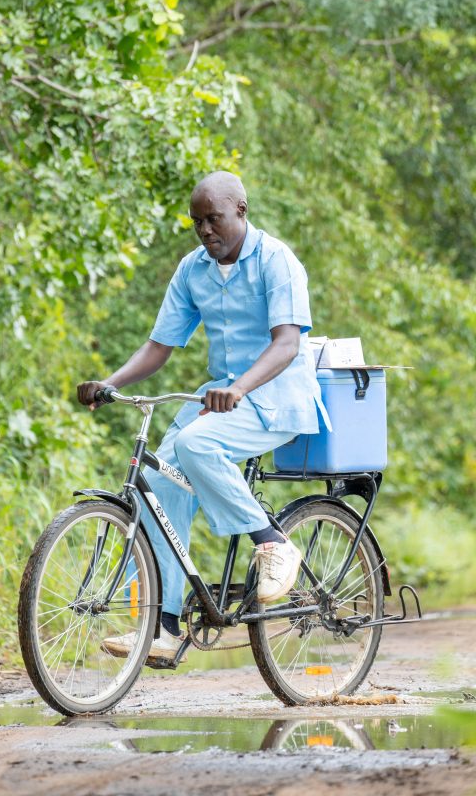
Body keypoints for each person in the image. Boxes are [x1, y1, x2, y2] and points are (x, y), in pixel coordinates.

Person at [77, 171, 328, 663]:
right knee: (157, 479)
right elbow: (159, 346)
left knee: (196, 445)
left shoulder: (277, 261)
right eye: (197, 222)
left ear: (241, 210)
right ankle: (162, 626)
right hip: (220, 399)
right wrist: (111, 383)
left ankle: (273, 543)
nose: (205, 230)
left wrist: (238, 387)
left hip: (276, 396)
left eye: (213, 218)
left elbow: (287, 343)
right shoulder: (192, 269)